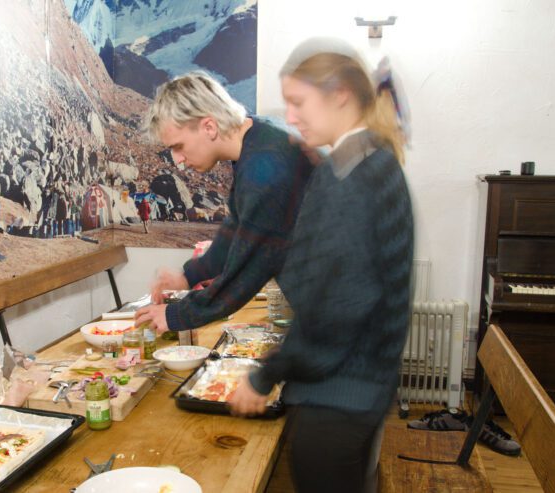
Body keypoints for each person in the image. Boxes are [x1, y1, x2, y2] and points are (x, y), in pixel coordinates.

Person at [227, 38, 414, 493]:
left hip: (337, 398)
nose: (289, 117)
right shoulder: (375, 160)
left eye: (297, 102)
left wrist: (262, 375)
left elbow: (335, 308)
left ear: (340, 95)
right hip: (364, 389)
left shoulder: (348, 176)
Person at [134, 72, 313, 333]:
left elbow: (250, 266)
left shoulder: (266, 163)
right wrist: (188, 276)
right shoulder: (259, 139)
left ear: (209, 126)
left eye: (179, 146)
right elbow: (237, 229)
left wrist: (177, 315)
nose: (178, 161)